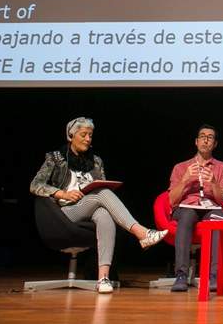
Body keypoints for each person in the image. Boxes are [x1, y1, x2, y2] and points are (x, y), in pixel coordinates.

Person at [29, 117, 166, 294]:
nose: (88, 139)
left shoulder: (96, 161)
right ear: (71, 135)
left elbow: (100, 184)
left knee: (104, 214)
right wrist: (62, 193)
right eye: (83, 135)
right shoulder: (55, 158)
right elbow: (35, 185)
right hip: (64, 212)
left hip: (90, 207)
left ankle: (103, 278)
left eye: (90, 135)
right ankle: (141, 232)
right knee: (102, 193)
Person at [165, 124, 223, 292]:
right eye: (202, 136)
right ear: (196, 141)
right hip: (186, 207)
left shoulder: (222, 167)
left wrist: (214, 183)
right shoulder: (181, 167)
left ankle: (214, 275)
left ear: (215, 144)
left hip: (211, 207)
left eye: (210, 137)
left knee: (217, 219)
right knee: (187, 215)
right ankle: (181, 274)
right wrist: (185, 179)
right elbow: (172, 200)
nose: (206, 140)